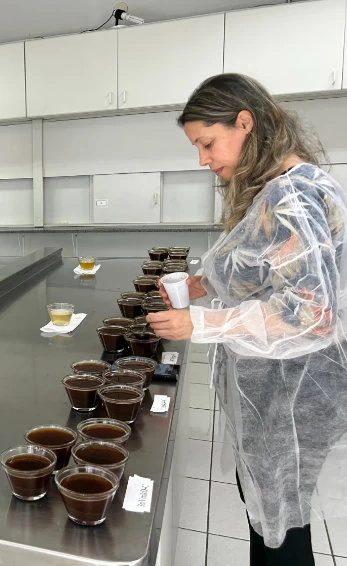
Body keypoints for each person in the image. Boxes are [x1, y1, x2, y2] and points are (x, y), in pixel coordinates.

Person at [147, 73, 347, 565]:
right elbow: (264, 265)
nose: (203, 159)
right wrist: (203, 283)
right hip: (277, 388)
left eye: (207, 143)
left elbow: (310, 311)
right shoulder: (281, 187)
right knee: (269, 511)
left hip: (290, 391)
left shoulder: (291, 197)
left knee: (281, 529)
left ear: (244, 122)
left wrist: (202, 324)